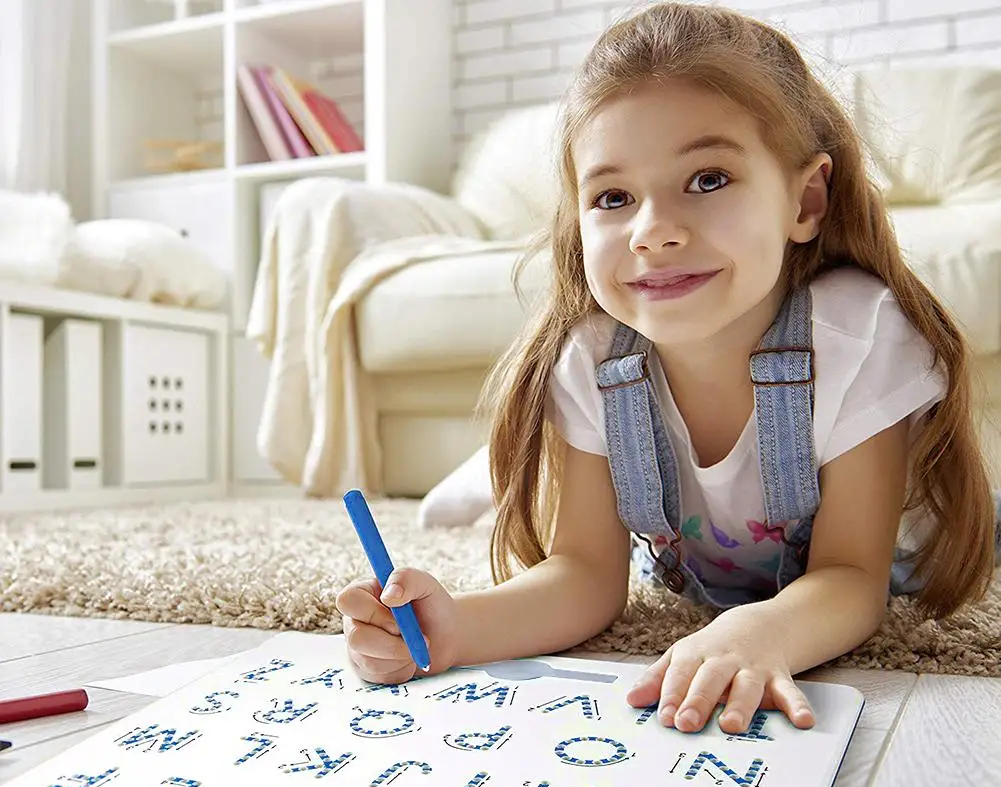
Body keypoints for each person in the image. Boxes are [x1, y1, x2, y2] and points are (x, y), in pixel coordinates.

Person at [336, 2, 1000, 736]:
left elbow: (850, 579)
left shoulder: (853, 333)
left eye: (707, 178)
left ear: (805, 198)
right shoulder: (591, 357)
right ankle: (480, 479)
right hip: (710, 558)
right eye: (613, 197)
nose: (653, 231)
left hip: (903, 546)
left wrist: (759, 633)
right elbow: (586, 575)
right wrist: (457, 625)